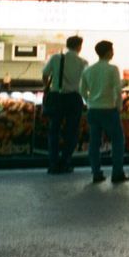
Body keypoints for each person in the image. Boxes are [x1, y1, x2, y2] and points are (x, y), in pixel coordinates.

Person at [80, 40, 129, 184]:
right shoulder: (113, 69)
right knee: (118, 141)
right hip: (109, 109)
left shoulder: (88, 70)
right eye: (112, 50)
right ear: (108, 52)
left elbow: (82, 90)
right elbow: (117, 90)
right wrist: (119, 107)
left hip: (93, 110)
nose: (113, 52)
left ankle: (96, 173)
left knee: (94, 143)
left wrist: (89, 101)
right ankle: (117, 173)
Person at [42, 35, 87, 174]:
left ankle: (53, 163)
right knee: (72, 132)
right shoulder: (83, 62)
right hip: (74, 98)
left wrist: (47, 87)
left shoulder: (56, 58)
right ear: (79, 47)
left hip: (57, 97)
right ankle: (65, 161)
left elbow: (45, 74)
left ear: (67, 45)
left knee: (54, 131)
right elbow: (85, 83)